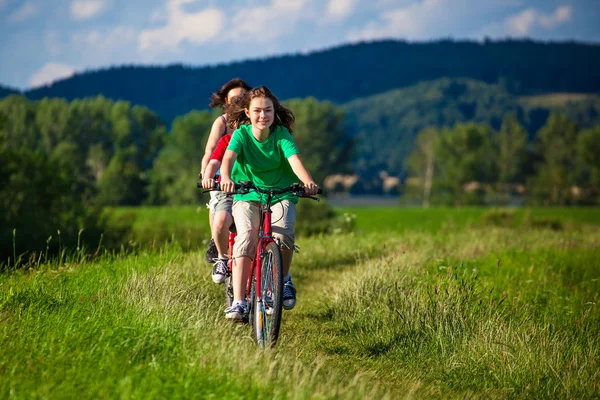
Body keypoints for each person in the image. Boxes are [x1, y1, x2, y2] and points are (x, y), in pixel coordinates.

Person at [219, 86, 319, 320]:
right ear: (247, 112)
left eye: (268, 110)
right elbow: (228, 158)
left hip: (281, 192)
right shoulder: (241, 135)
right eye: (257, 111)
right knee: (246, 237)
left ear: (274, 112)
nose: (262, 115)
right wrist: (225, 177)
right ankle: (239, 302)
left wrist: (308, 182)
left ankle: (283, 280)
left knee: (283, 234)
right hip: (248, 193)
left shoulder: (281, 134)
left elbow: (294, 160)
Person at [200, 78, 251, 262]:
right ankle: (216, 241)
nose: (239, 100)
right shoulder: (221, 123)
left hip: (247, 178)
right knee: (216, 201)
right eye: (235, 98)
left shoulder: (254, 122)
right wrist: (206, 174)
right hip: (222, 176)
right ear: (226, 102)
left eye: (243, 96)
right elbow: (210, 152)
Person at [201, 98, 245, 283]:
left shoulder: (259, 141)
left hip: (251, 191)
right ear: (233, 123)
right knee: (220, 221)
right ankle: (221, 257)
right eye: (239, 121)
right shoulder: (227, 140)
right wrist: (208, 177)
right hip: (226, 189)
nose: (244, 125)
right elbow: (214, 160)